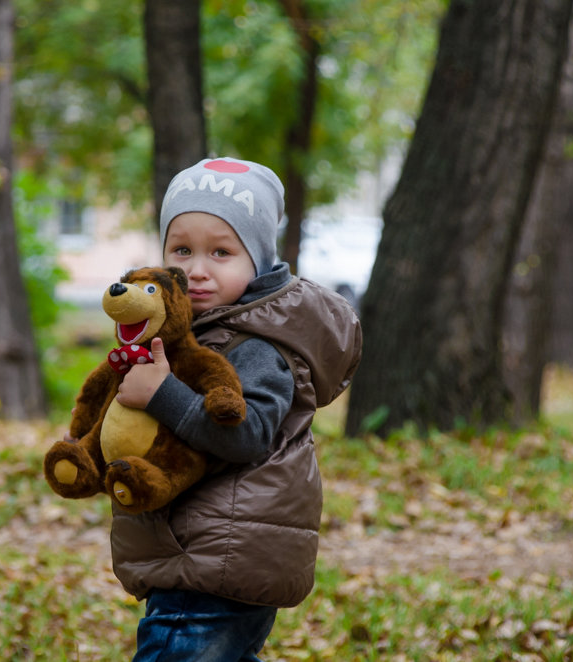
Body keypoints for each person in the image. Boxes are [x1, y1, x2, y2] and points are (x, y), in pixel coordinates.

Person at [110, 157, 363, 661]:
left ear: (259, 262)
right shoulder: (195, 332)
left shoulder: (258, 344)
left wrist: (161, 393)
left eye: (221, 252)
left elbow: (246, 435)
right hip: (201, 550)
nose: (195, 269)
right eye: (181, 249)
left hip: (217, 558)